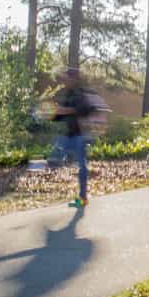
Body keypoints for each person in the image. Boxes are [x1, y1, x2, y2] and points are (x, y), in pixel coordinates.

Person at [37, 68, 104, 208]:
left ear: (74, 79)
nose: (65, 80)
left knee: (81, 166)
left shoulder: (80, 93)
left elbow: (80, 110)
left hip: (81, 135)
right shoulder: (68, 94)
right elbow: (62, 115)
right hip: (71, 134)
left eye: (68, 78)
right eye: (65, 78)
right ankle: (48, 169)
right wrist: (51, 114)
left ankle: (83, 198)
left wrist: (61, 110)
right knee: (58, 152)